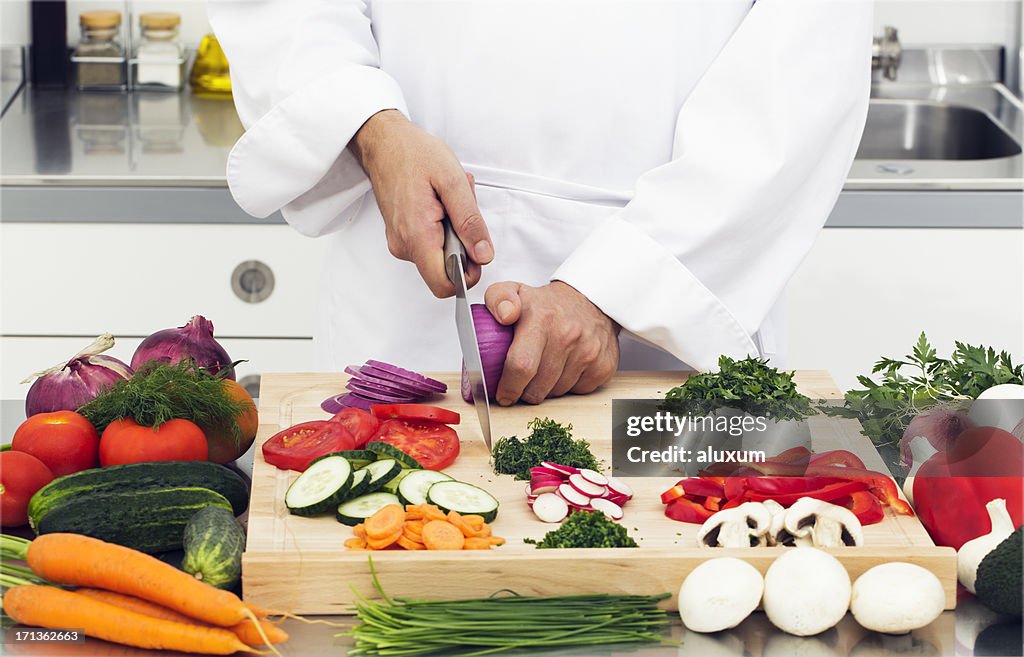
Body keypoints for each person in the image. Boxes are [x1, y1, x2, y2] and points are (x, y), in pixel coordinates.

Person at [209, 0, 872, 405]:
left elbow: (801, 76)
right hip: (409, 297)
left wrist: (613, 293)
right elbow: (285, 9)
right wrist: (373, 127)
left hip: (678, 319)